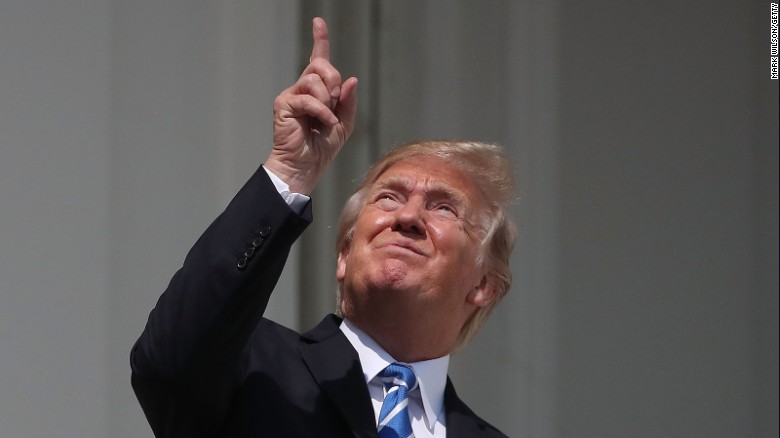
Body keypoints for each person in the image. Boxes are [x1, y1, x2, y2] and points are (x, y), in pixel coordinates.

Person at [131, 17, 515, 438]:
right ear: (344, 254)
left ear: (484, 285)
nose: (407, 218)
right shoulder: (254, 365)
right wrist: (290, 171)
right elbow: (166, 364)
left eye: (444, 208)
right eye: (388, 197)